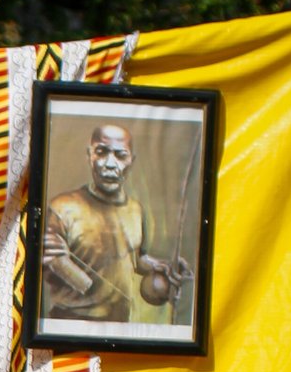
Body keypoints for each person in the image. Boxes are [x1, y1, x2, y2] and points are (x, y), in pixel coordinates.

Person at [40, 120, 189, 326]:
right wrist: (85, 283)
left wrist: (160, 266)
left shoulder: (135, 209)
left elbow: (133, 258)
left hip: (119, 324)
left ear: (131, 160)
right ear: (89, 155)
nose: (110, 164)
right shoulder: (62, 207)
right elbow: (52, 261)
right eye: (101, 152)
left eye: (120, 155)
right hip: (71, 324)